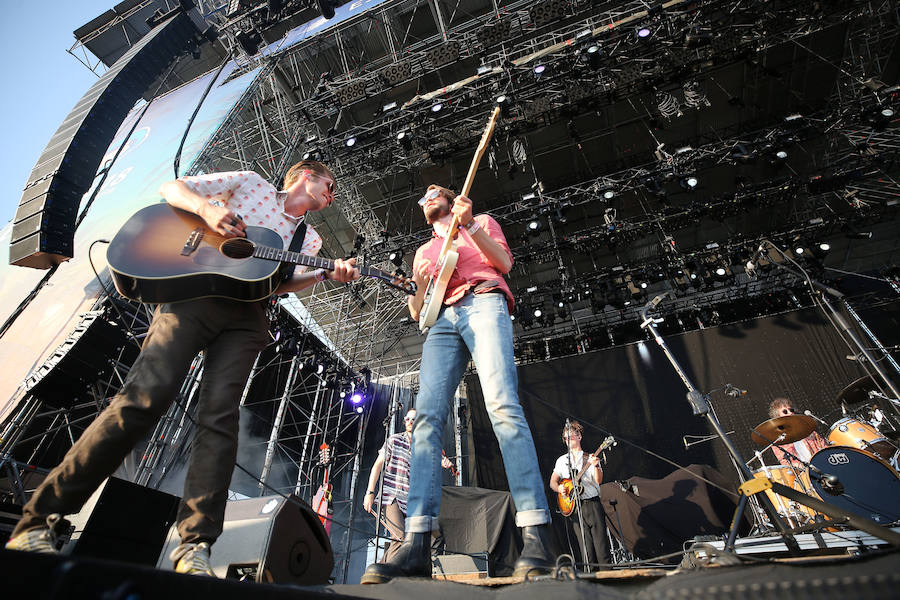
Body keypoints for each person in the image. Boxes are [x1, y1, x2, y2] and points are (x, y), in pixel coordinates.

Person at [4, 161, 360, 576]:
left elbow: (276, 281)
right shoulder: (249, 183)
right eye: (329, 184)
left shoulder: (310, 238)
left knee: (220, 419)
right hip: (193, 297)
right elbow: (173, 188)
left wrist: (321, 275)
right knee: (141, 401)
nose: (332, 194)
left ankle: (195, 547)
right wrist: (208, 211)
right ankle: (40, 520)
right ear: (304, 176)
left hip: (249, 318)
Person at [361, 184, 553, 584]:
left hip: (483, 300)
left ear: (450, 199)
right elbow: (418, 311)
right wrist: (417, 282)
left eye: (434, 192)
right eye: (423, 197)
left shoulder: (479, 221)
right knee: (427, 421)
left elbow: (503, 263)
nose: (427, 196)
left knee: (501, 406)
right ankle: (416, 544)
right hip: (441, 322)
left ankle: (535, 535)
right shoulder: (423, 251)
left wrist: (471, 228)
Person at [362, 408, 452, 562]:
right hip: (393, 497)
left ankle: (383, 570)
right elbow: (377, 466)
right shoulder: (394, 440)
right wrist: (370, 493)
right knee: (400, 538)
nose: (410, 422)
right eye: (407, 419)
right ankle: (389, 580)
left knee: (437, 536)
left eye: (413, 419)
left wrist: (443, 463)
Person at [549, 420, 610, 571]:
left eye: (571, 436)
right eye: (565, 437)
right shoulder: (562, 461)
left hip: (592, 504)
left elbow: (598, 480)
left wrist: (596, 466)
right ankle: (591, 581)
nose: (568, 440)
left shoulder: (589, 457)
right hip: (575, 508)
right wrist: (560, 489)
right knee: (586, 550)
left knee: (601, 546)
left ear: (579, 436)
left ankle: (608, 578)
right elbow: (552, 482)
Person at [767, 398, 828, 469]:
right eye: (785, 411)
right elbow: (785, 463)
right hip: (802, 474)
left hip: (822, 466)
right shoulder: (777, 441)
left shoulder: (808, 430)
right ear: (777, 417)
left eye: (791, 410)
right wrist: (802, 467)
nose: (790, 413)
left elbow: (825, 448)